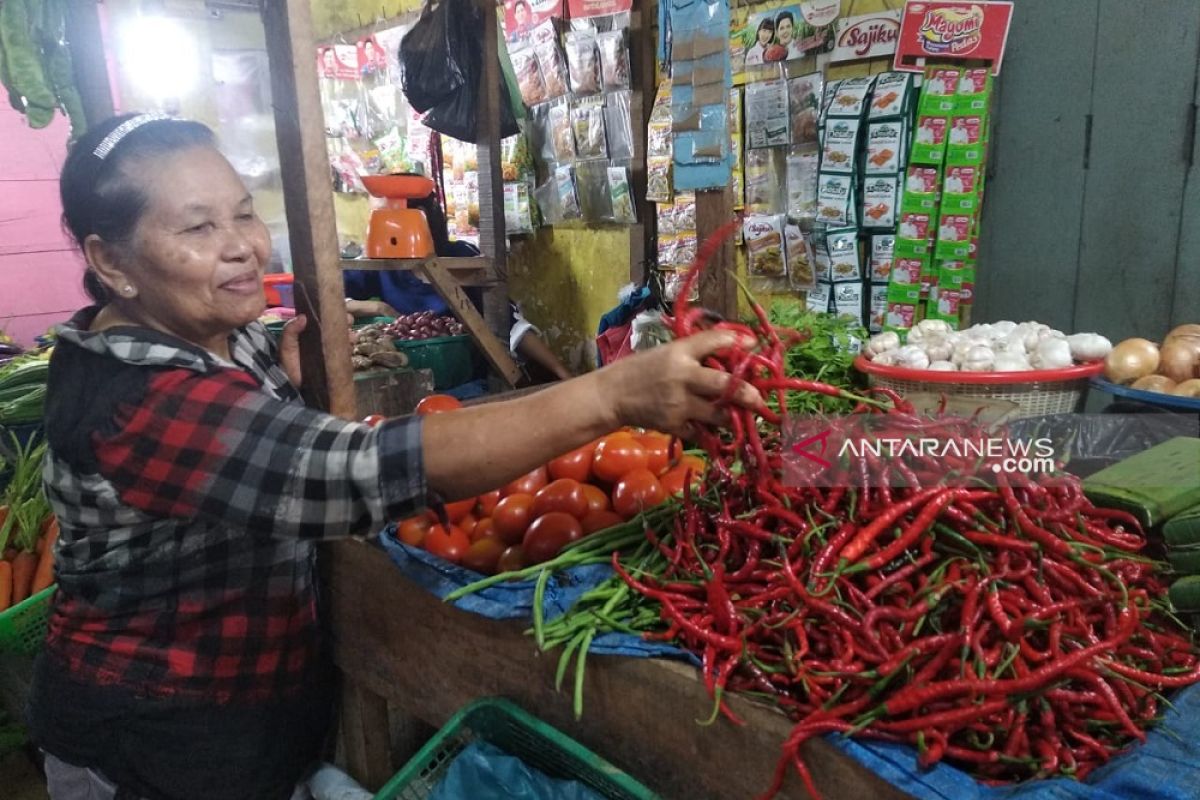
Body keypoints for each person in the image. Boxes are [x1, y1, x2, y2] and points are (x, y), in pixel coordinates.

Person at [29, 113, 759, 800]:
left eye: (244, 212)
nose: (242, 245)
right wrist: (610, 397)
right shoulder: (135, 401)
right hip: (152, 743)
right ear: (110, 262)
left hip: (238, 724)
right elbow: (358, 469)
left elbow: (274, 443)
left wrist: (296, 381)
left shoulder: (219, 336)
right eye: (197, 226)